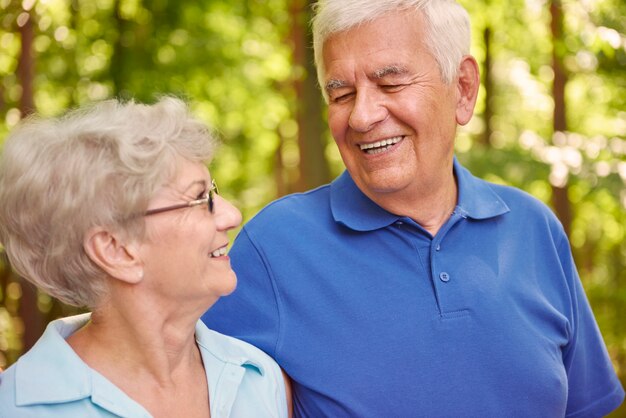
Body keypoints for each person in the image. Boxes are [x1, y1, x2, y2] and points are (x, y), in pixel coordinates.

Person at [202, 0, 625, 416]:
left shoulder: (535, 229)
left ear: (462, 88)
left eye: (391, 84)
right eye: (342, 93)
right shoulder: (274, 247)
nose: (362, 117)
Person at [0, 98, 291, 417]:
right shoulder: (16, 407)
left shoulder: (258, 378)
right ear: (115, 249)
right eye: (199, 197)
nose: (232, 215)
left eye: (214, 191)